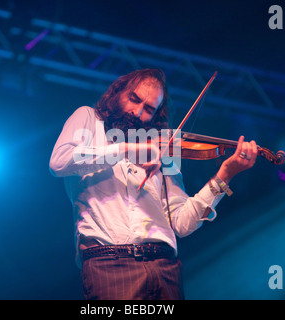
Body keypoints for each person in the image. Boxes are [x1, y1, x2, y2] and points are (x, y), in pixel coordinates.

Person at [49, 68, 257, 300]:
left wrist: (224, 176)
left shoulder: (162, 149)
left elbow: (182, 223)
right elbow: (59, 162)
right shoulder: (89, 118)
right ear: (118, 92)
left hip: (164, 266)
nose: (137, 112)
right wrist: (129, 148)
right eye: (134, 99)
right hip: (110, 263)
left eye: (149, 109)